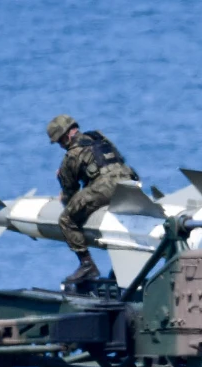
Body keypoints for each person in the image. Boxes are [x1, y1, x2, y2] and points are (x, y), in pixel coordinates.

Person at [46, 114, 138, 286]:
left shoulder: (71, 156)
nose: (60, 146)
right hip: (130, 181)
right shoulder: (99, 137)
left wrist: (62, 183)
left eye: (59, 142)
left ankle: (87, 264)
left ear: (65, 137)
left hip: (107, 187)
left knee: (66, 219)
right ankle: (120, 269)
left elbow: (70, 193)